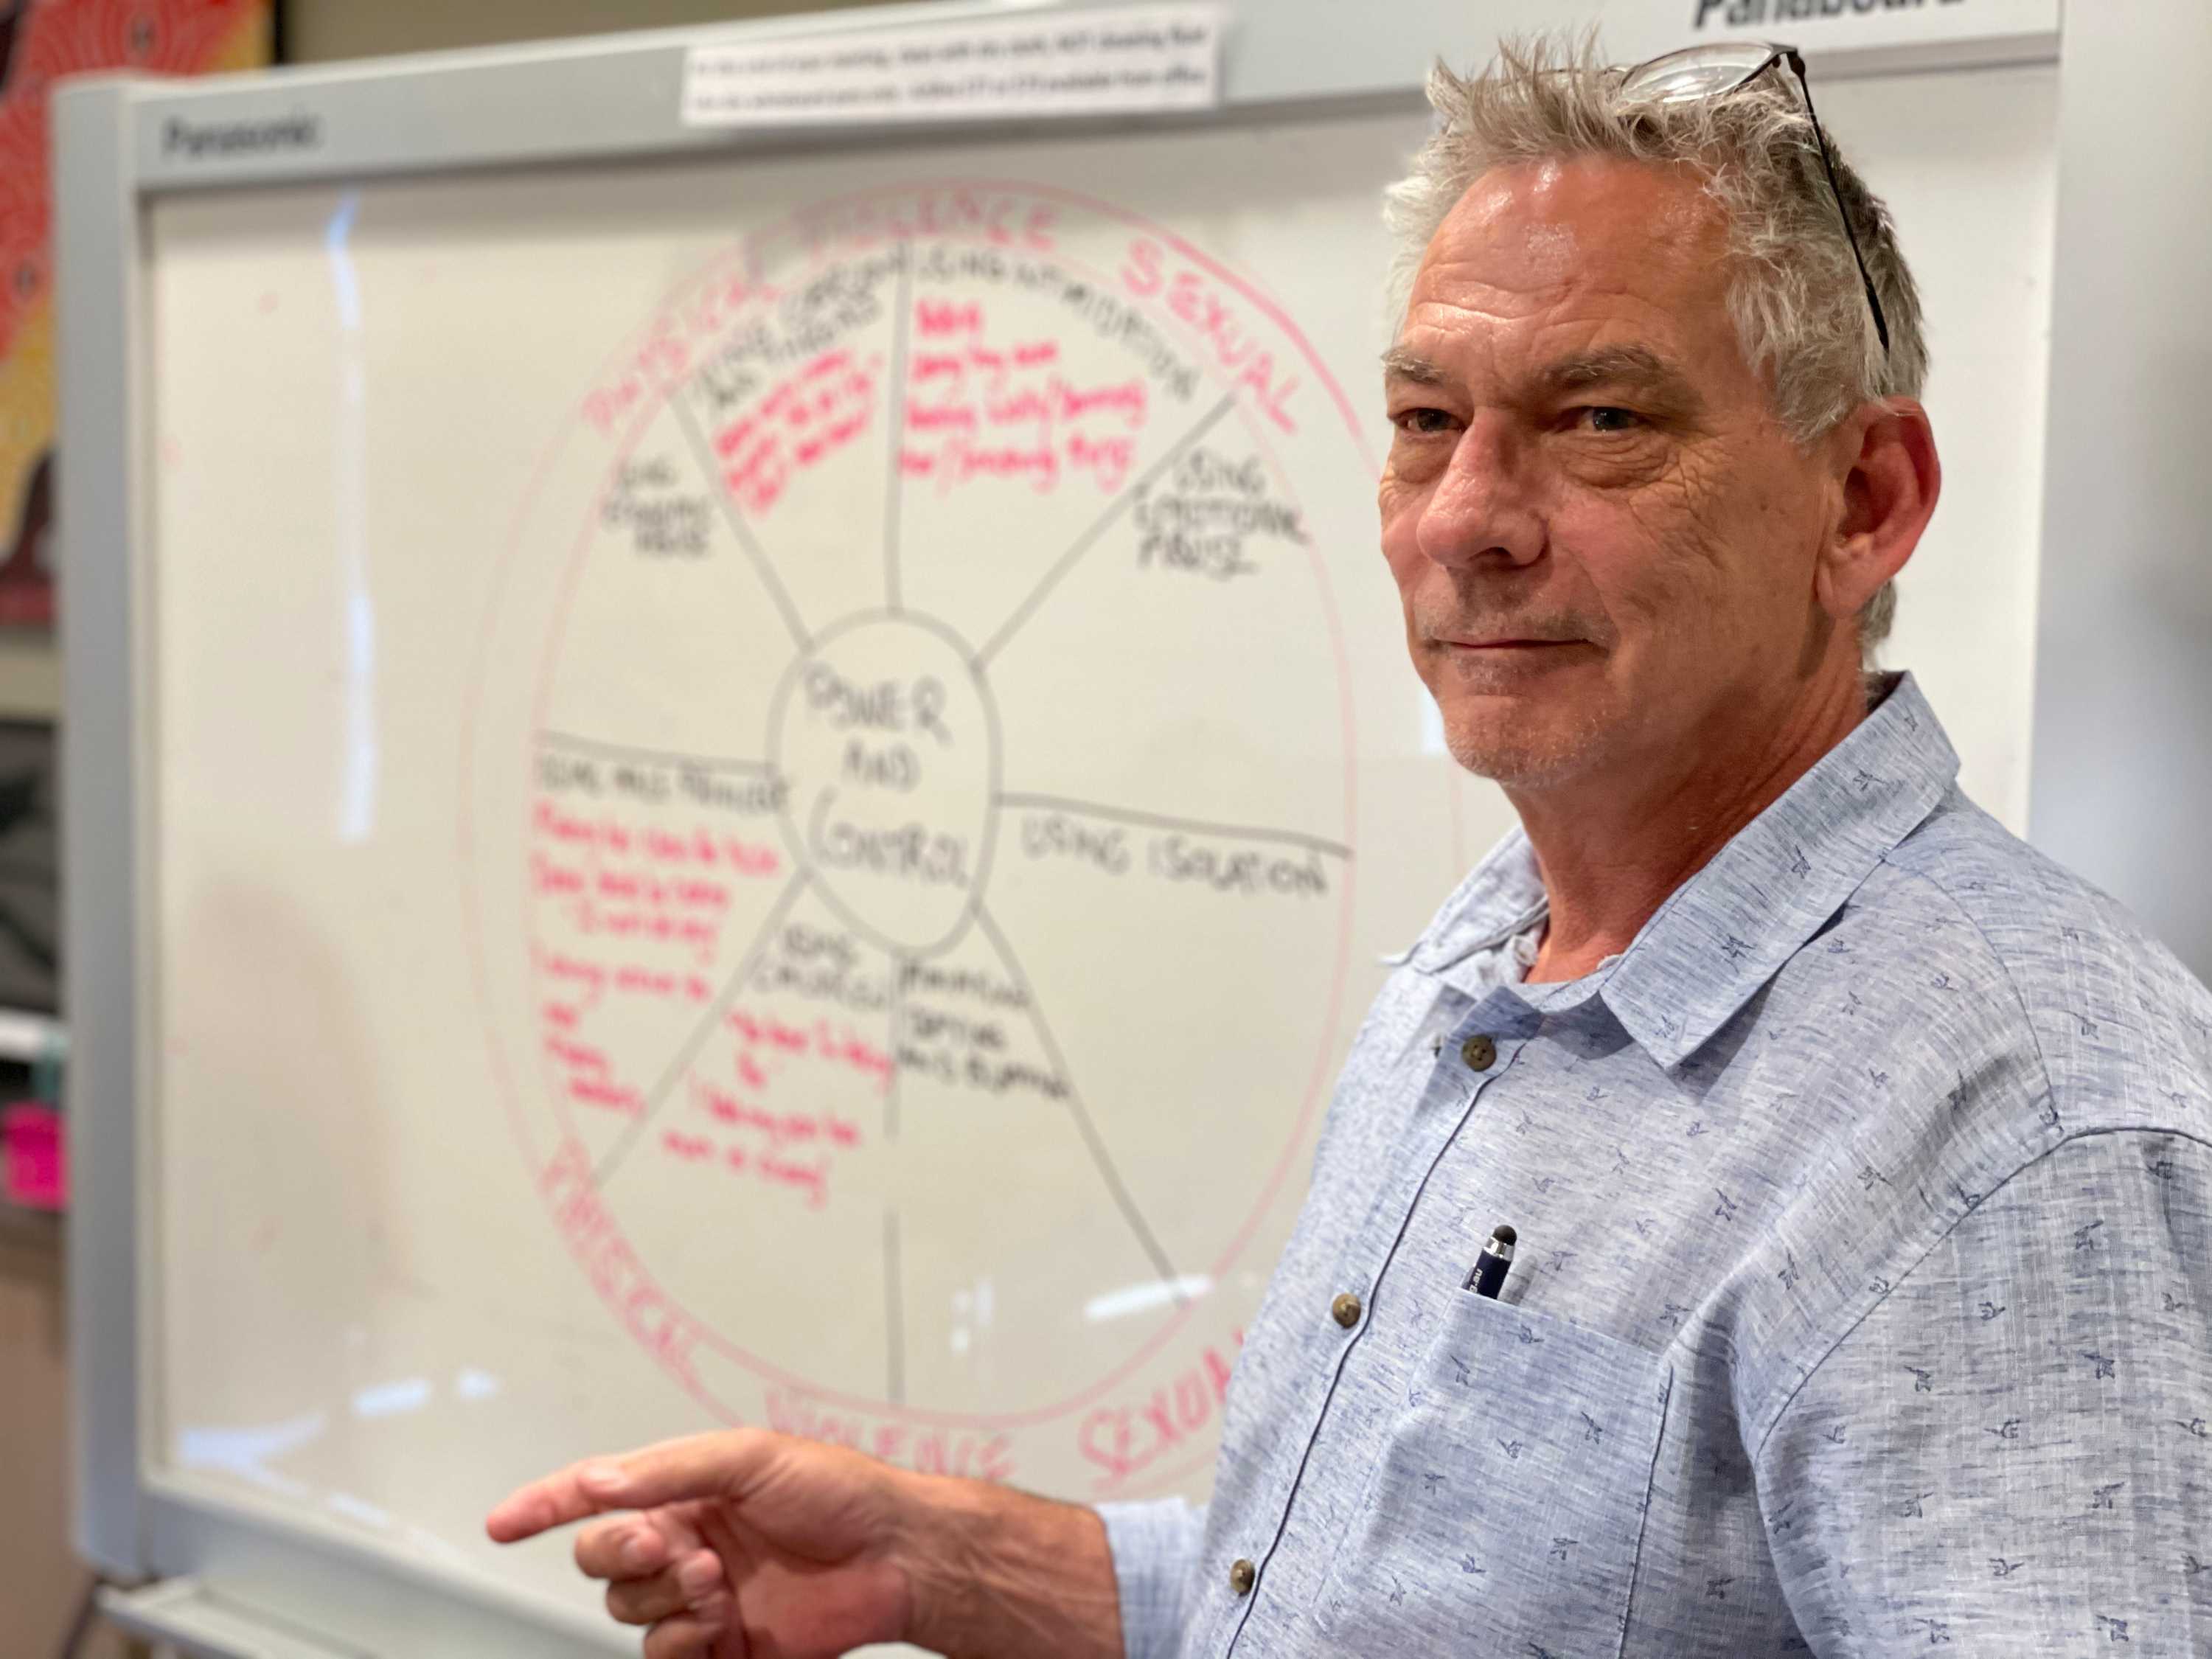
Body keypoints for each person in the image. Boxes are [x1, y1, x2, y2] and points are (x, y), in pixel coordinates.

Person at [486, 34, 2212, 1655]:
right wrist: (939, 1563)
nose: (1466, 519)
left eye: (1602, 422)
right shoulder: (1492, 961)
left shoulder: (2022, 1122)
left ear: (1865, 502)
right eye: (1425, 422)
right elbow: (1352, 1593)